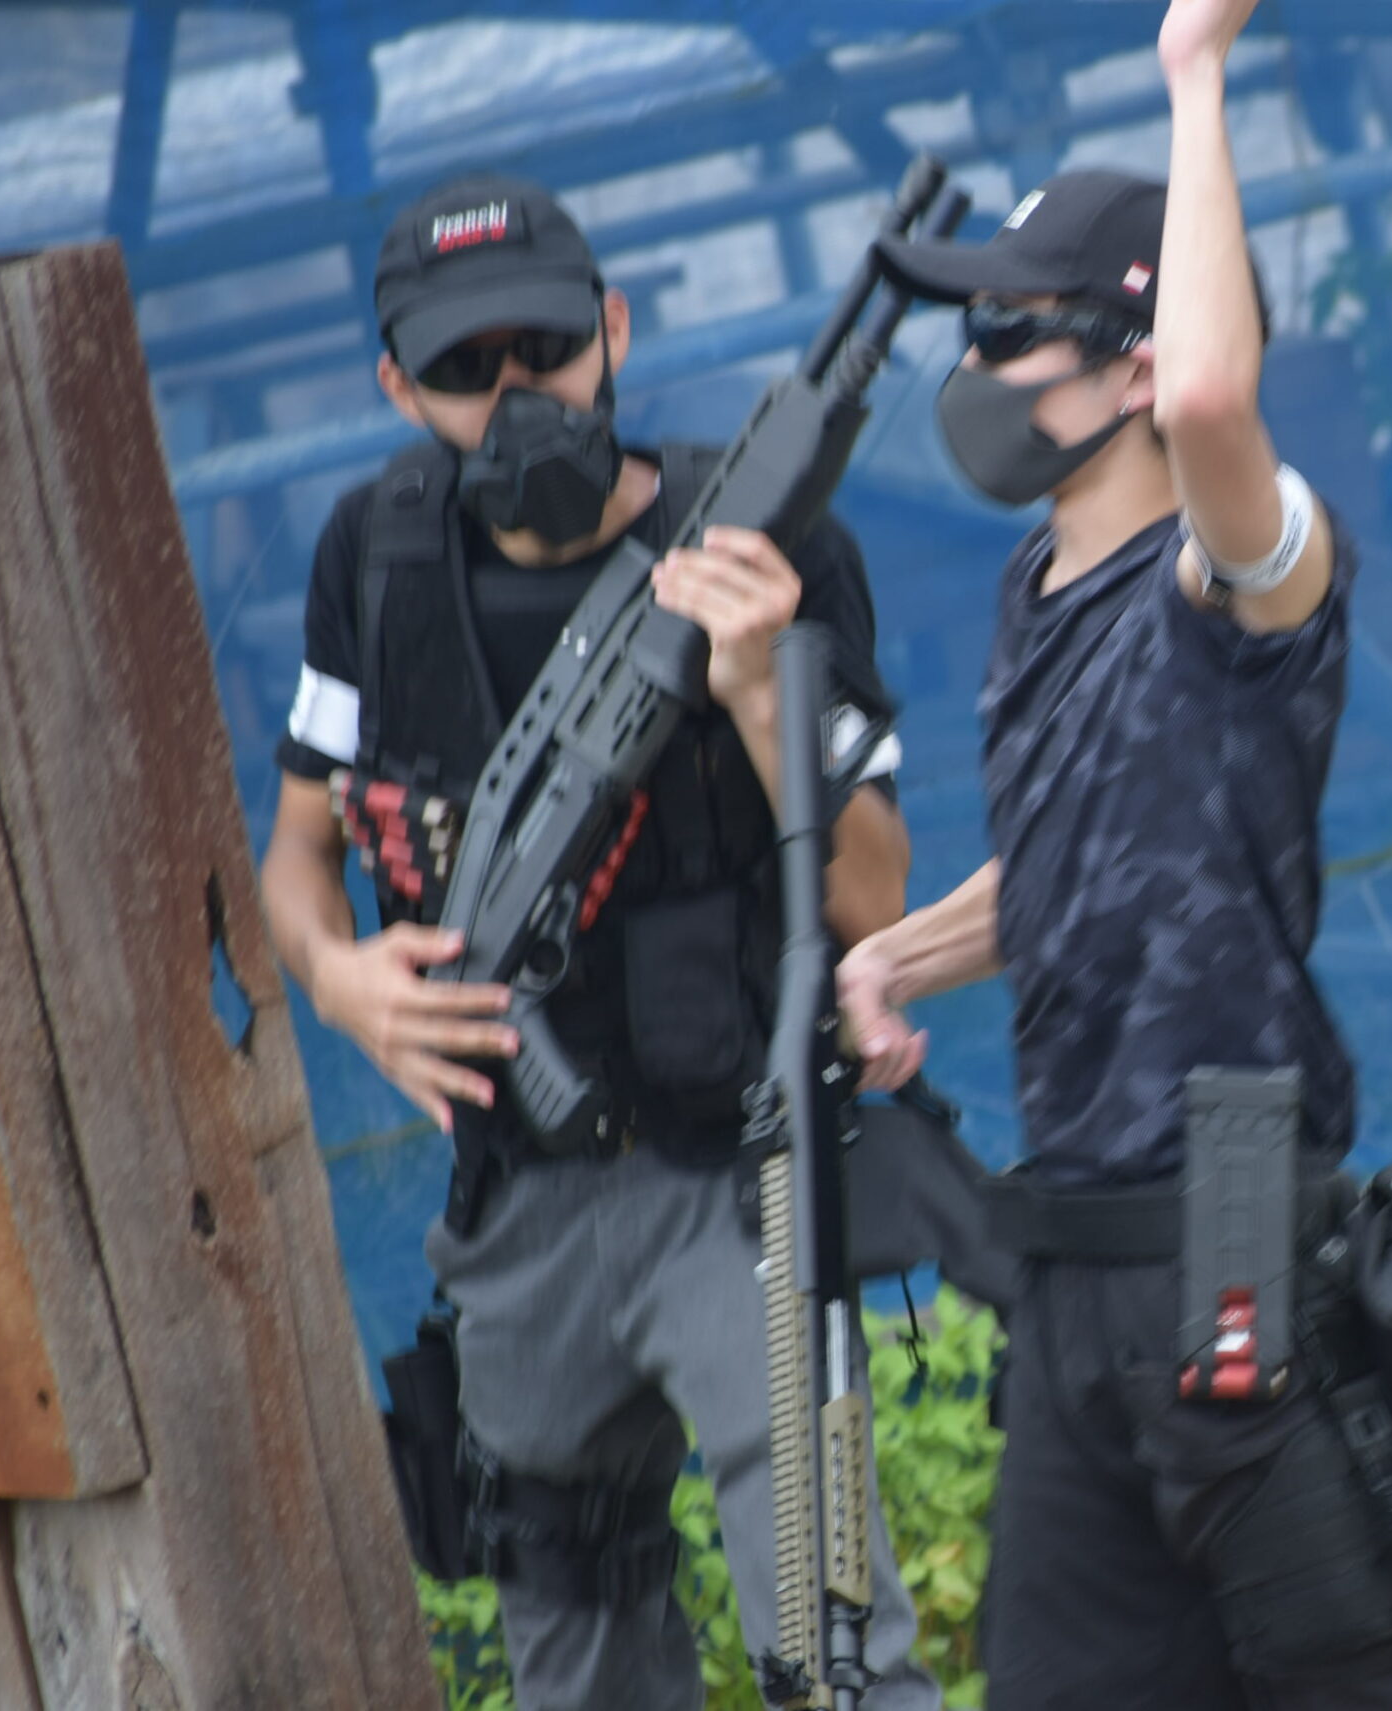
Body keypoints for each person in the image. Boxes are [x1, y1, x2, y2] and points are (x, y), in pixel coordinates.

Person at [837, 3, 1392, 1705]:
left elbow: (1210, 389)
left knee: (1349, 1674)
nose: (977, 371)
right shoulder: (1032, 591)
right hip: (1075, 1268)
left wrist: (1195, 75)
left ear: (1128, 369)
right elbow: (1070, 865)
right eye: (972, 333)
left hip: (1233, 1231)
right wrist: (895, 957)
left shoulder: (1244, 574)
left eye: (1016, 335)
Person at [257, 171, 938, 1711]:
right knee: (571, 1632)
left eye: (547, 348)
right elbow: (296, 854)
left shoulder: (769, 544)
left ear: (614, 329)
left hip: (740, 1184)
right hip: (520, 1205)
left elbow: (878, 898)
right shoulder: (374, 559)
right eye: (463, 367)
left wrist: (757, 689)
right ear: (397, 390)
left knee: (834, 1641)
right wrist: (343, 981)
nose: (517, 395)